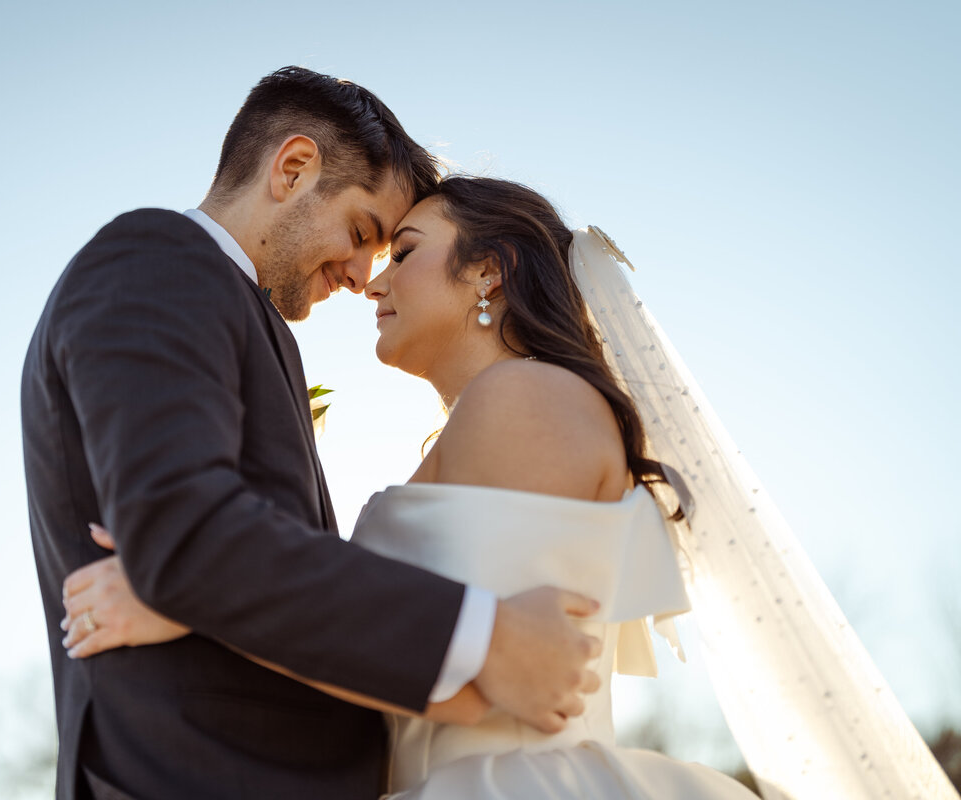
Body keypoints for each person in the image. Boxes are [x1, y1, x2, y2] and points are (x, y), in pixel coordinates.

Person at [62, 176, 960, 799]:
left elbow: (517, 666)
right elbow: (435, 634)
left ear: (485, 274)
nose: (375, 277)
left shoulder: (528, 399)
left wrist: (194, 602)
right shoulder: (479, 422)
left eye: (405, 248)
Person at [22, 69, 605, 800]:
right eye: (363, 233)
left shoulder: (243, 316)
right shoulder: (159, 258)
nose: (364, 276)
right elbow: (185, 535)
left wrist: (178, 600)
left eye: (390, 251)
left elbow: (197, 555)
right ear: (293, 169)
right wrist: (489, 638)